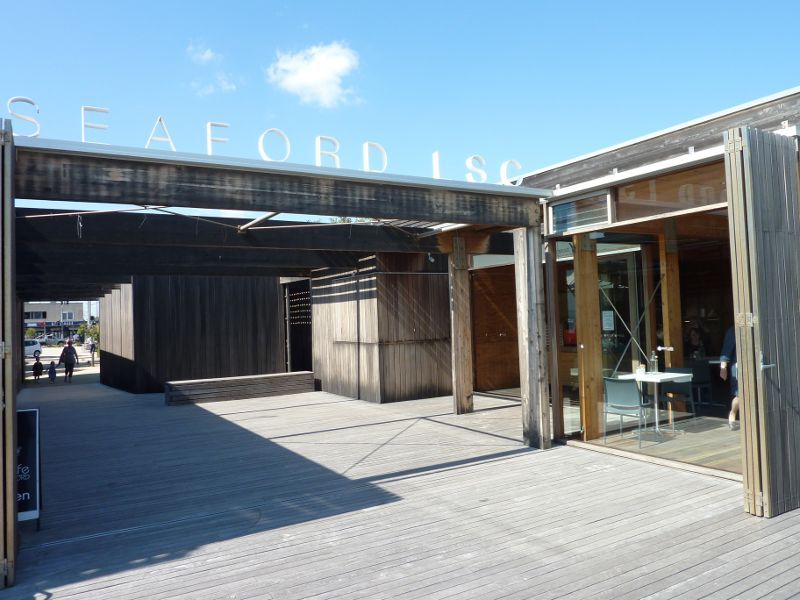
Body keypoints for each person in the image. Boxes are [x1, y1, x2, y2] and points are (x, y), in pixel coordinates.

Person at [720, 325, 739, 430]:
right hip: (738, 366)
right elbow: (726, 350)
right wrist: (723, 368)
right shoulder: (733, 331)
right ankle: (733, 413)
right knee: (740, 394)